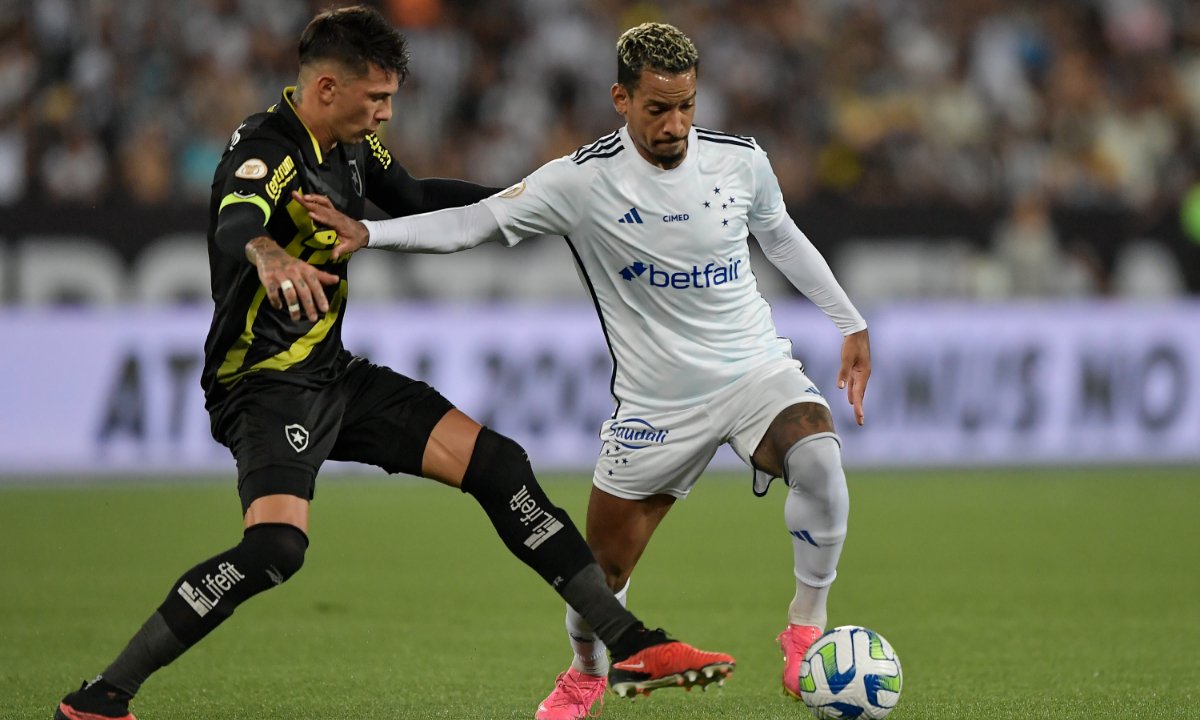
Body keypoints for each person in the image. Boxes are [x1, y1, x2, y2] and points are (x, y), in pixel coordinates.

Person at [53, 10, 735, 720]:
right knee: (276, 549)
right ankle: (102, 698)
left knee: (498, 465)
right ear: (324, 88)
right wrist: (269, 253)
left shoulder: (352, 146)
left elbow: (412, 198)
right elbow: (236, 219)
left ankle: (628, 642)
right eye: (375, 100)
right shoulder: (268, 147)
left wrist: (543, 203)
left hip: (333, 374)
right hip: (263, 386)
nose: (384, 114)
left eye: (389, 100)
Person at [297, 19, 871, 719]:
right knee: (601, 574)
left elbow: (779, 234)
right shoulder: (580, 181)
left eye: (687, 105)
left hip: (755, 370)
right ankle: (586, 672)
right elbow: (473, 222)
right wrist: (371, 233)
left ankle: (805, 628)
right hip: (657, 407)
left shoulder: (740, 161)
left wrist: (850, 321)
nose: (676, 124)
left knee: (818, 454)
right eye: (658, 108)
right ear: (620, 99)